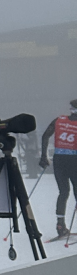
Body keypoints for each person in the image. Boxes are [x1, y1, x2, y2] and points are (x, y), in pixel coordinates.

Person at [40, 101, 77, 238]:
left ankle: (60, 225)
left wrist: (44, 156)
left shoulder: (59, 120)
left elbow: (45, 136)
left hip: (59, 160)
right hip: (74, 162)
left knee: (63, 192)